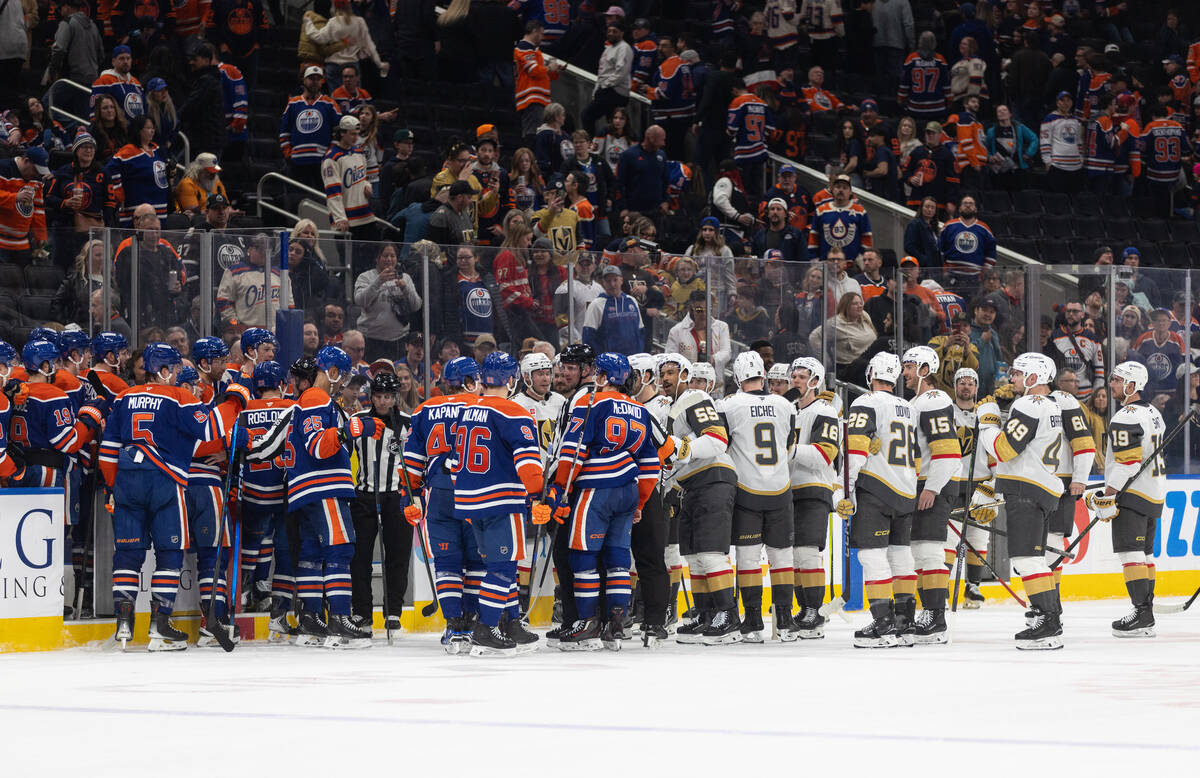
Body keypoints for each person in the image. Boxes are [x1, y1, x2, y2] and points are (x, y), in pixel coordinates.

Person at [244, 348, 381, 648]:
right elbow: (319, 445)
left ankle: (310, 619)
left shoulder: (297, 406)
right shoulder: (318, 399)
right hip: (325, 487)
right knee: (340, 549)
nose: (342, 383)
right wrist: (354, 427)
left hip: (302, 493)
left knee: (311, 555)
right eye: (342, 376)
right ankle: (339, 620)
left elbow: (264, 448)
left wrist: (238, 444)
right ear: (332, 372)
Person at [98, 343, 215, 651]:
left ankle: (124, 623)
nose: (176, 374)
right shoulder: (179, 396)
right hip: (165, 480)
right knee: (169, 552)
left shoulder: (123, 397)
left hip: (126, 481)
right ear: (162, 370)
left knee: (128, 553)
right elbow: (210, 432)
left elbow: (107, 450)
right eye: (174, 369)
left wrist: (112, 487)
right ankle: (160, 626)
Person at [549, 353, 661, 650]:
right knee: (618, 560)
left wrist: (560, 488)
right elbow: (651, 463)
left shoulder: (591, 403)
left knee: (583, 557)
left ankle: (588, 623)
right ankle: (616, 624)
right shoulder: (641, 410)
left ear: (601, 376)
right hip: (628, 491)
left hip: (596, 489)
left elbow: (573, 450)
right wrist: (640, 502)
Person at [446, 352, 545, 655]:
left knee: (500, 564)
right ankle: (486, 628)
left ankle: (510, 622)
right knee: (504, 566)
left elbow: (454, 463)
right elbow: (528, 464)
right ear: (511, 379)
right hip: (502, 500)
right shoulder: (514, 411)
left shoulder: (467, 410)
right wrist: (539, 495)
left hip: (470, 502)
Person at [978, 353, 1066, 649]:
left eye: (1017, 373)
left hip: (1026, 489)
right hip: (1042, 487)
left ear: (1033, 378)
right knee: (1036, 559)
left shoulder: (1029, 404)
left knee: (1026, 559)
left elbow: (1004, 450)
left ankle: (1048, 621)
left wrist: (987, 421)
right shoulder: (1051, 405)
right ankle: (1049, 617)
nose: (1011, 378)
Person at [838, 352, 918, 647]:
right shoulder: (908, 407)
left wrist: (844, 490)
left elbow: (856, 449)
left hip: (876, 488)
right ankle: (905, 623)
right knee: (900, 555)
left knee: (872, 556)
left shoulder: (866, 401)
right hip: (906, 488)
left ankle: (884, 623)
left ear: (871, 373)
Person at [659, 352, 739, 645]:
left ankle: (728, 615)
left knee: (709, 553)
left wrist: (684, 448)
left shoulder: (694, 397)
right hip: (690, 486)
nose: (665, 378)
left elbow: (717, 438)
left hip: (713, 479)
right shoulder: (672, 408)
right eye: (662, 374)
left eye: (671, 372)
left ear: (685, 375)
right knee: (693, 555)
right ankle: (706, 614)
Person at [404, 357, 483, 651]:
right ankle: (472, 623)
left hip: (439, 493)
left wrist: (408, 496)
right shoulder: (482, 405)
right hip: (476, 492)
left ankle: (453, 625)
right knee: (477, 562)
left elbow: (411, 460)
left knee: (447, 563)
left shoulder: (425, 409)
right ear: (469, 381)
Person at [718, 351, 798, 642]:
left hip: (747, 490)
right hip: (780, 488)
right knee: (782, 556)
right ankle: (785, 620)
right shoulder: (785, 405)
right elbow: (788, 445)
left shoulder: (729, 405)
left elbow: (721, 445)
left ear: (738, 377)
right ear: (763, 376)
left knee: (748, 557)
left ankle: (752, 619)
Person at [1089, 363, 1167, 637]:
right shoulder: (1153, 412)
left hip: (1132, 493)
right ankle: (1146, 612)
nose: (1111, 384)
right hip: (1153, 491)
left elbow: (1127, 463)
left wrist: (1110, 494)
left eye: (1117, 380)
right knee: (1144, 553)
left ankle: (1142, 613)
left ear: (1131, 385)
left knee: (1130, 553)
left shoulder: (1126, 416)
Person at [228, 360, 295, 639]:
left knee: (251, 543)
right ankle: (278, 614)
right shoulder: (291, 408)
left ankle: (242, 597)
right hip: (283, 492)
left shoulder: (243, 412)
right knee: (285, 551)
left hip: (253, 491)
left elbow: (235, 447)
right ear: (281, 384)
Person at [900, 346, 962, 644]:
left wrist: (932, 487)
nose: (904, 373)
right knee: (918, 551)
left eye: (909, 367)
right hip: (923, 482)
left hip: (933, 483)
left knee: (929, 550)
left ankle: (936, 617)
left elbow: (948, 452)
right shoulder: (917, 402)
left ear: (925, 369)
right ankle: (928, 613)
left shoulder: (934, 399)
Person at [347, 372, 413, 634]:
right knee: (359, 557)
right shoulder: (358, 420)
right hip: (364, 496)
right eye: (378, 396)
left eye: (388, 396)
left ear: (395, 397)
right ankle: (362, 613)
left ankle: (393, 612)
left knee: (398, 556)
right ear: (371, 397)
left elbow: (416, 460)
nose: (383, 401)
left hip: (397, 497)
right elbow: (343, 453)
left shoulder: (408, 423)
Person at [945, 367, 999, 609]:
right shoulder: (946, 412)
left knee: (978, 537)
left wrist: (994, 484)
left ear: (976, 387)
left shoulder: (984, 415)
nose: (966, 387)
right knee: (949, 538)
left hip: (981, 484)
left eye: (970, 383)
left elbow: (995, 450)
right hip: (953, 481)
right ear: (955, 386)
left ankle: (973, 586)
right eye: (962, 382)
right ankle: (941, 586)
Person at [113, 204, 188, 331]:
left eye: (157, 230)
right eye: (150, 230)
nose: (154, 234)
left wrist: (177, 288)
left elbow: (180, 280)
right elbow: (120, 284)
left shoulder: (167, 253)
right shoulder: (128, 253)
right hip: (138, 312)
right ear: (140, 230)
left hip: (164, 313)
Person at [45, 134, 113, 271]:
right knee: (61, 267)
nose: (89, 150)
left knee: (88, 268)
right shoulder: (62, 172)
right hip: (64, 229)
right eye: (84, 147)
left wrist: (108, 228)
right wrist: (65, 203)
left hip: (91, 230)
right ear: (76, 150)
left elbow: (110, 203)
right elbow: (48, 197)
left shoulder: (102, 173)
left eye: (91, 147)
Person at [279, 67, 342, 192]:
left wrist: (330, 154)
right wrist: (288, 153)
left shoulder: (330, 103)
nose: (315, 81)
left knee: (323, 198)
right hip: (297, 161)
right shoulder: (293, 103)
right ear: (304, 80)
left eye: (318, 79)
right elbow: (284, 131)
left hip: (322, 162)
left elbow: (339, 132)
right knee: (297, 198)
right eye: (311, 78)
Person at [354, 243, 421, 359]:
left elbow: (416, 305)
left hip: (399, 340)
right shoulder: (365, 277)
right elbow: (360, 301)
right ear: (377, 258)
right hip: (371, 339)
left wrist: (406, 289)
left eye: (392, 256)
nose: (389, 259)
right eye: (385, 256)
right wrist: (378, 281)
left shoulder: (405, 277)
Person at [215, 234, 294, 329]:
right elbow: (223, 301)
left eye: (267, 249)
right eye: (259, 248)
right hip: (245, 331)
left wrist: (282, 326)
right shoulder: (234, 271)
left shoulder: (280, 274)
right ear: (249, 249)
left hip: (274, 331)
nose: (263, 252)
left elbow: (289, 305)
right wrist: (236, 324)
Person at [1044, 299, 1105, 402]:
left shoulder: (1092, 338)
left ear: (1082, 314)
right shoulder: (1055, 336)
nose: (1071, 314)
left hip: (1086, 399)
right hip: (1060, 398)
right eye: (1068, 311)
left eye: (1075, 311)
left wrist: (1093, 399)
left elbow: (1099, 374)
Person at [666, 290, 732, 384]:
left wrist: (713, 359)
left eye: (708, 309)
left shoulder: (721, 327)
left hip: (715, 384)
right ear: (691, 308)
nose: (704, 314)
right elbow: (670, 360)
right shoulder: (676, 331)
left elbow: (727, 352)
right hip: (687, 384)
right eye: (699, 310)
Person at [581, 265, 644, 355]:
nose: (612, 284)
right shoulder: (596, 305)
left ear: (621, 280)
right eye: (608, 281)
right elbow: (588, 337)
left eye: (615, 280)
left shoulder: (631, 301)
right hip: (609, 360)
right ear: (603, 282)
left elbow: (640, 331)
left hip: (632, 359)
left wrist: (639, 354)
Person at [808, 174, 872, 262]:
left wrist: (860, 260)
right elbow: (813, 237)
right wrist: (814, 261)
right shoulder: (821, 211)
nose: (841, 190)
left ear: (850, 192)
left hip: (852, 264)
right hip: (826, 264)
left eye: (845, 188)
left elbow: (867, 238)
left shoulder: (860, 211)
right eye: (838, 187)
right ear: (832, 190)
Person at [514, 21, 561, 140]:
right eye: (541, 33)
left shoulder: (534, 50)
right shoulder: (524, 48)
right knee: (533, 135)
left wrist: (554, 70)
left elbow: (543, 73)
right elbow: (533, 70)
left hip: (537, 99)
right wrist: (549, 68)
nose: (542, 37)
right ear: (534, 31)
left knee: (538, 134)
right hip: (531, 99)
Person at [584, 20, 633, 132]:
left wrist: (605, 86)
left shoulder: (624, 48)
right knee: (612, 125)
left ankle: (591, 142)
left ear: (622, 33)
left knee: (587, 116)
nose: (611, 33)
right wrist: (596, 90)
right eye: (609, 31)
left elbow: (621, 72)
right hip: (606, 89)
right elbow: (602, 72)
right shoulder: (609, 48)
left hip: (615, 91)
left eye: (614, 31)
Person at [179, 44, 228, 156]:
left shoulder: (207, 81)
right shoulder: (205, 79)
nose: (191, 62)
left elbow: (191, 106)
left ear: (206, 61)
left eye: (195, 59)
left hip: (207, 142)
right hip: (206, 140)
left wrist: (175, 119)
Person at [616, 125, 669, 222]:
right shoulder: (629, 155)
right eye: (661, 140)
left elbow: (665, 180)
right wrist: (623, 207)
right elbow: (619, 183)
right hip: (634, 210)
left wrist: (665, 201)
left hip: (656, 210)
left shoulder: (661, 155)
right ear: (651, 138)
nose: (663, 143)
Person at [1040, 91, 1085, 194]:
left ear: (1072, 102)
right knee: (1058, 199)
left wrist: (1081, 159)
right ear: (1057, 103)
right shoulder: (1049, 119)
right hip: (1057, 166)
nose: (1065, 103)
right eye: (1062, 100)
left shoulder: (1076, 120)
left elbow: (1079, 141)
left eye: (1068, 100)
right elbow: (1044, 141)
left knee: (1074, 199)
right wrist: (1047, 161)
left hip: (1075, 167)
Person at [899, 32, 951, 120]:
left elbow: (904, 83)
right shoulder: (940, 60)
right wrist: (949, 100)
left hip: (915, 107)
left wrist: (901, 98)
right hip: (937, 108)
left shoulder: (911, 59)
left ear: (920, 42)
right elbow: (946, 84)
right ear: (934, 43)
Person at [91, 45, 144, 120]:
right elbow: (94, 111)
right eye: (121, 58)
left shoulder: (136, 83)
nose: (125, 61)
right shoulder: (103, 81)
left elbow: (144, 109)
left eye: (128, 58)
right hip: (115, 126)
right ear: (113, 61)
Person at [88, 94, 129, 162]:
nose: (109, 110)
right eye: (105, 108)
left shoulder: (125, 127)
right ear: (98, 111)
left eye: (112, 107)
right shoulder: (93, 131)